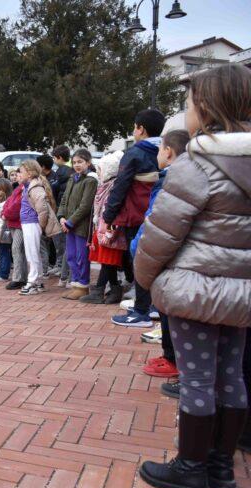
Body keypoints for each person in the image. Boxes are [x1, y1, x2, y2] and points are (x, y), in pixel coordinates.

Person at [136, 64, 251, 488]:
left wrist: (146, 280)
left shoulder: (197, 164)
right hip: (241, 293)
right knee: (231, 375)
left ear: (206, 107)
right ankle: (221, 467)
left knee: (198, 380)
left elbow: (161, 236)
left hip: (196, 291)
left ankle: (190, 469)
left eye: (188, 102)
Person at [127, 130, 190, 386]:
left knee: (168, 311)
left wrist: (138, 249)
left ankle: (173, 360)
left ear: (169, 151)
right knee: (166, 310)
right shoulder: (174, 178)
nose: (157, 155)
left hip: (164, 258)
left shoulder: (171, 181)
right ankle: (171, 355)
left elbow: (157, 223)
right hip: (168, 258)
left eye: (160, 149)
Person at [106, 109, 165, 327]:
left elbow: (120, 186)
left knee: (138, 260)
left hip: (136, 215)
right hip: (162, 213)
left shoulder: (135, 153)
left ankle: (141, 310)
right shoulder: (167, 150)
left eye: (135, 127)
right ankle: (155, 305)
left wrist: (109, 214)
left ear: (141, 129)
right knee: (159, 261)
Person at [80, 151, 125, 305]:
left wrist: (109, 232)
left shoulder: (113, 187)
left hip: (110, 231)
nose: (98, 172)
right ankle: (115, 289)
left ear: (108, 170)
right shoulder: (105, 186)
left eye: (100, 169)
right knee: (107, 262)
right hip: (102, 229)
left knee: (108, 260)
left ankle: (98, 291)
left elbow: (114, 211)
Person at [56, 149, 99, 300]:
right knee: (71, 256)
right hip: (68, 225)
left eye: (80, 162)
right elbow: (64, 200)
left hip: (81, 226)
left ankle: (83, 285)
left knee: (81, 256)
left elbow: (85, 206)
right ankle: (75, 284)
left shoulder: (90, 180)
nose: (77, 165)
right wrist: (61, 217)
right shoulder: (72, 178)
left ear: (88, 162)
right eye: (74, 162)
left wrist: (70, 222)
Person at [18, 160, 62, 295]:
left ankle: (32, 282)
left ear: (30, 173)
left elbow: (42, 209)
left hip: (32, 223)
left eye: (21, 172)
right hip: (28, 223)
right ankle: (38, 281)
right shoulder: (29, 186)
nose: (19, 174)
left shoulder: (35, 187)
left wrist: (40, 225)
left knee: (32, 254)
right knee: (32, 253)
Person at [37, 154, 67, 281]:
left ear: (43, 166)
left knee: (58, 242)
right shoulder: (49, 177)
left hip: (54, 213)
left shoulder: (54, 179)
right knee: (49, 241)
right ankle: (54, 264)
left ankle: (60, 265)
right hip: (48, 213)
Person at [2, 179, 27, 290]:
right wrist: (4, 212)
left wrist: (6, 214)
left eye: (20, 173)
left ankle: (18, 278)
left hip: (20, 224)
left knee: (17, 249)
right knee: (19, 250)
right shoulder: (18, 188)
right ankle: (22, 277)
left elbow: (17, 206)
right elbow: (9, 201)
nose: (18, 176)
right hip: (13, 223)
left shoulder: (25, 188)